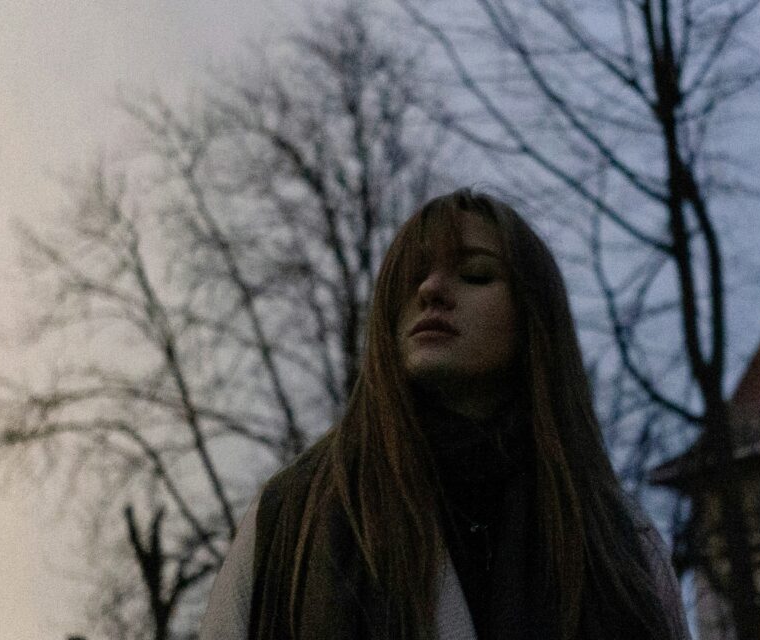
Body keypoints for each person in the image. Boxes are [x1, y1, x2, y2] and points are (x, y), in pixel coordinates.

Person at [198, 189, 691, 640]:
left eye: (475, 274)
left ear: (533, 318)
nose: (431, 289)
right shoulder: (289, 516)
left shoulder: (620, 541)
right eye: (412, 278)